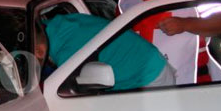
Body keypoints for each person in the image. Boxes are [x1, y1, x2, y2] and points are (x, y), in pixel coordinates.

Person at [43, 13, 175, 90]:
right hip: (151, 61)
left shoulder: (67, 55)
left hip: (151, 78)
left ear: (39, 51)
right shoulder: (66, 21)